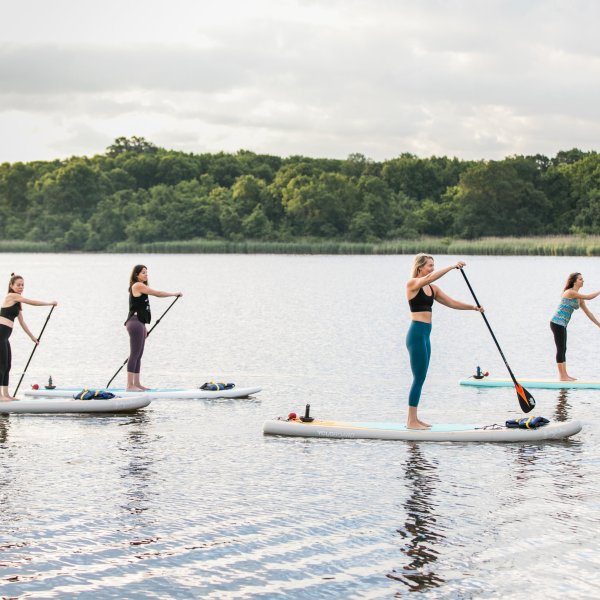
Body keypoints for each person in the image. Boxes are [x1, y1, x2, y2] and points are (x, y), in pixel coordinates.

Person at [405, 254, 484, 429]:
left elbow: (451, 303)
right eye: (429, 266)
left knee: (422, 377)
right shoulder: (412, 284)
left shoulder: (432, 289)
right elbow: (430, 277)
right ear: (420, 267)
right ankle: (411, 421)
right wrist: (451, 267)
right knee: (418, 377)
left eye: (433, 265)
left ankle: (415, 419)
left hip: (426, 335)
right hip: (416, 334)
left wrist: (473, 308)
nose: (432, 268)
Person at [0, 273, 57, 401]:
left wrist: (32, 337)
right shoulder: (11, 296)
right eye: (18, 285)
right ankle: (0, 396)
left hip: (5, 337)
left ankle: (6, 394)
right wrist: (49, 303)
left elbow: (22, 322)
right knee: (2, 365)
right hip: (0, 335)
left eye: (22, 285)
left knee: (8, 365)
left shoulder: (18, 302)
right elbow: (32, 302)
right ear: (11, 286)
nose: (21, 287)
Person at [125, 265, 182, 391]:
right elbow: (157, 293)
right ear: (136, 275)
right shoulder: (137, 285)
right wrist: (173, 294)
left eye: (146, 272)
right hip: (134, 323)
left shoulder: (141, 287)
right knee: (134, 354)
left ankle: (137, 384)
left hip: (139, 322)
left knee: (139, 355)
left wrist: (144, 327)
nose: (146, 275)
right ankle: (129, 386)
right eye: (143, 273)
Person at [550, 272, 600, 381]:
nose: (583, 281)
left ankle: (565, 375)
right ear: (574, 281)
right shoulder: (570, 292)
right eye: (580, 279)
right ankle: (562, 376)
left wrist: (599, 325)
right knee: (560, 348)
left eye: (583, 279)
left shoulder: (578, 297)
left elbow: (588, 313)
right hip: (557, 323)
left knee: (564, 348)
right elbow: (589, 297)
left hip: (562, 324)